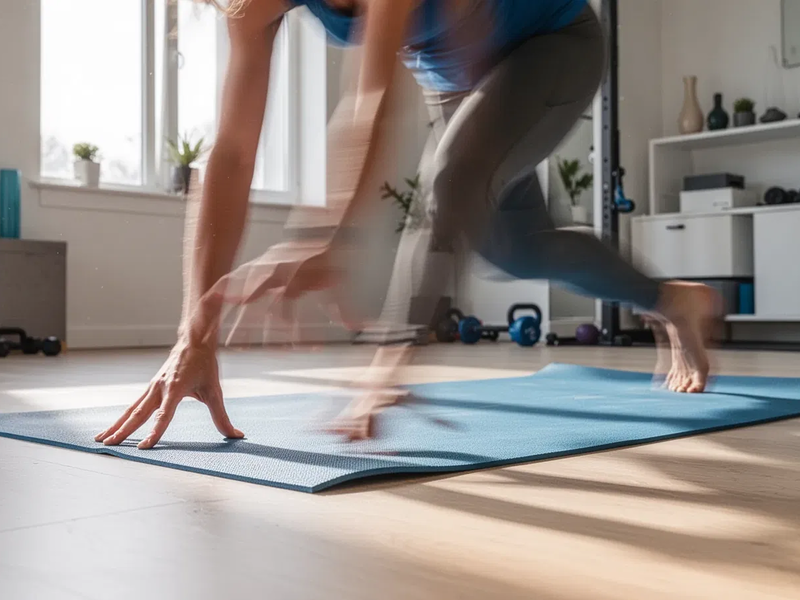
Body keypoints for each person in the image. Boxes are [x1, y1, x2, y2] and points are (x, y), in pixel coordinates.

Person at [95, 0, 721, 449]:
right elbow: (231, 154)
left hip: (553, 43)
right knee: (517, 249)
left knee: (450, 178)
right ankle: (672, 299)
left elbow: (369, 98)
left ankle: (387, 361)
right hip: (456, 80)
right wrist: (194, 334)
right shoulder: (249, 7)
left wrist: (345, 275)